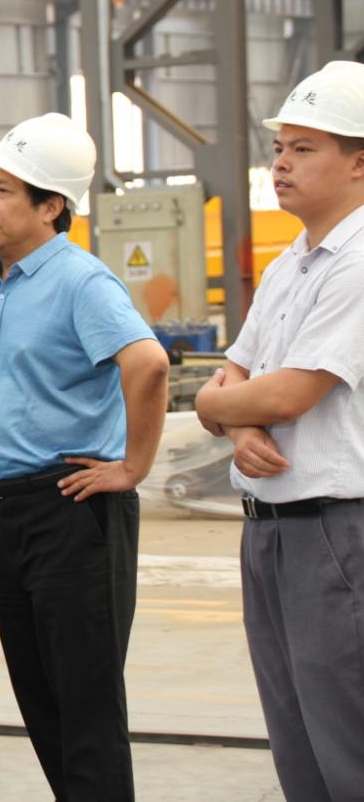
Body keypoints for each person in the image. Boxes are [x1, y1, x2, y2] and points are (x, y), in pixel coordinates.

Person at [0, 112, 168, 802]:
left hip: (72, 506)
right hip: (7, 510)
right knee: (40, 698)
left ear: (51, 206)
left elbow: (147, 364)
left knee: (85, 705)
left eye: (4, 192)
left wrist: (133, 467)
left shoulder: (81, 281)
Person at [194, 60, 364, 800]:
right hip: (269, 526)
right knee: (296, 739)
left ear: (359, 162)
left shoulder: (357, 262)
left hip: (335, 531)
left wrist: (218, 411)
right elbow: (235, 374)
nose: (282, 163)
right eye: (279, 148)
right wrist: (237, 428)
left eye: (304, 148)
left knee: (346, 739)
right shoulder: (290, 264)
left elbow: (289, 391)